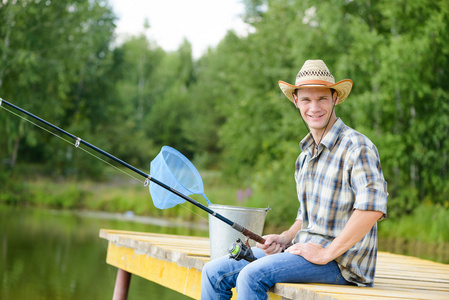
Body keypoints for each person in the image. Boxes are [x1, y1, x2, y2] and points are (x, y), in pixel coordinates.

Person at [201, 59, 388, 300]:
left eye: (322, 98)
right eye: (307, 100)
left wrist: (326, 253)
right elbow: (307, 215)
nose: (314, 107)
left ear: (335, 99)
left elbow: (371, 209)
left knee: (251, 275)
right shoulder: (304, 157)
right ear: (296, 101)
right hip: (304, 252)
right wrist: (284, 238)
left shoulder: (357, 147)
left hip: (342, 264)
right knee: (212, 271)